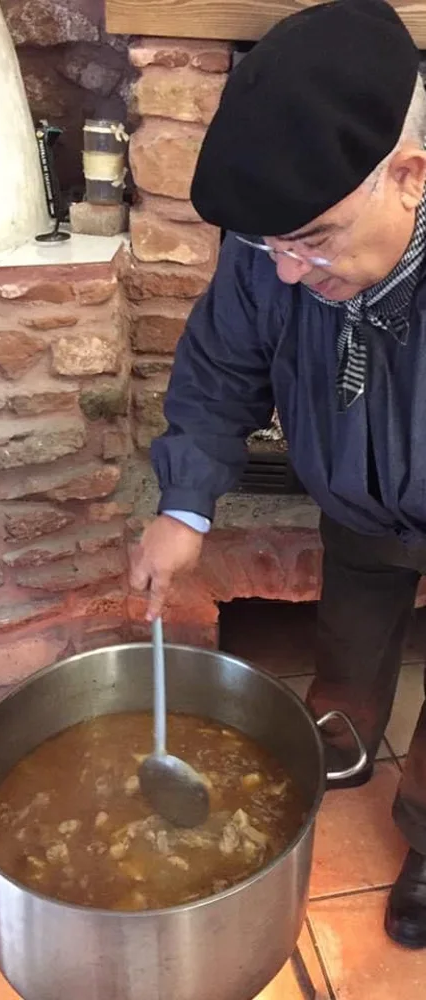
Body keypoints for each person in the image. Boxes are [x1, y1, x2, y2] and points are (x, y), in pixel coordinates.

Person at [129, 0, 426, 949]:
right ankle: (336, 743)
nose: (289, 275)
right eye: (272, 248)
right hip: (356, 507)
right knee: (348, 637)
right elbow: (220, 366)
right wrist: (184, 504)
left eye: (314, 239)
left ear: (408, 177)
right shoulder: (271, 251)